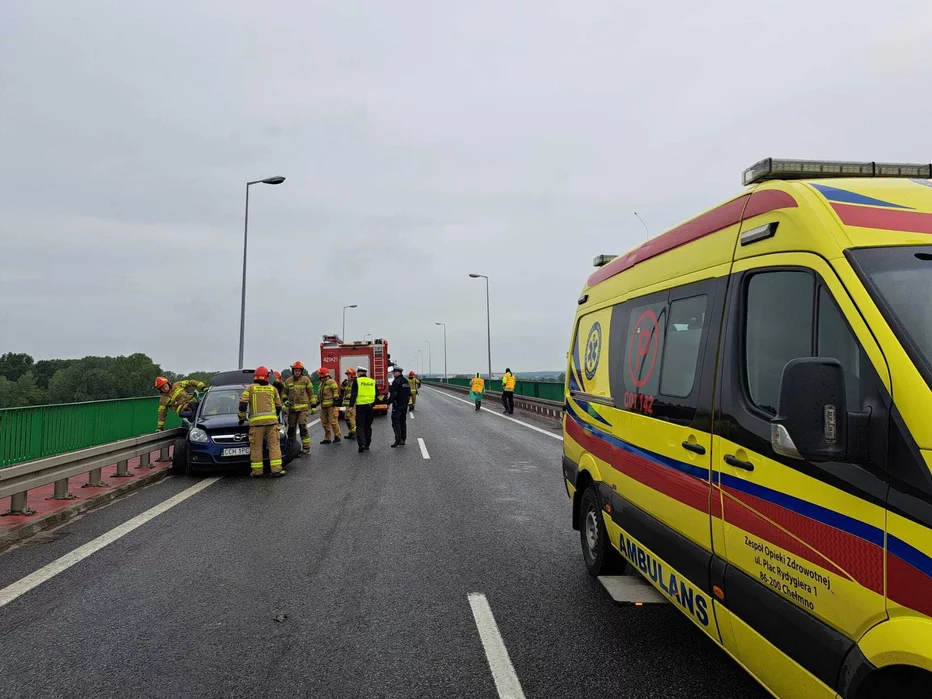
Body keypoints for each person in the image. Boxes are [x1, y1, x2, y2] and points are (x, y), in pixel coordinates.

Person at [237, 366, 285, 477]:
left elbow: (243, 404)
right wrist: (274, 417)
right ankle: (276, 470)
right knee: (274, 446)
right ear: (267, 377)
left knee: (256, 447)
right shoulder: (273, 389)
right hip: (272, 423)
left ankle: (257, 472)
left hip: (256, 425)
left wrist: (242, 417)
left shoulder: (250, 388)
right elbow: (278, 406)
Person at [284, 361, 316, 456]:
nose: (297, 372)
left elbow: (311, 393)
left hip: (303, 409)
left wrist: (313, 406)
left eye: (299, 371)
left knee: (302, 428)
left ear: (301, 371)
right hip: (292, 409)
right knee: (291, 429)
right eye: (295, 370)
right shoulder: (288, 381)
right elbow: (284, 393)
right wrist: (285, 399)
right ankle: (292, 449)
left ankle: (306, 448)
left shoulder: (306, 380)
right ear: (293, 371)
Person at [348, 366, 375, 453]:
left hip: (360, 407)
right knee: (368, 426)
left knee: (360, 426)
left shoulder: (357, 381)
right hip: (370, 407)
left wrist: (351, 405)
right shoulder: (372, 381)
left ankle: (362, 444)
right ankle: (367, 444)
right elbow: (377, 393)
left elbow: (354, 394)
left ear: (359, 373)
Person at [317, 367, 342, 444]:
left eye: (319, 374)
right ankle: (327, 438)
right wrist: (316, 403)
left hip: (331, 406)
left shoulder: (330, 381)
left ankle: (337, 436)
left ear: (322, 374)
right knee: (324, 423)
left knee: (333, 421)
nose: (318, 376)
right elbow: (319, 395)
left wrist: (335, 399)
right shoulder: (321, 384)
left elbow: (335, 390)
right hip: (324, 406)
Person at [388, 366, 411, 447]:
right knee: (402, 422)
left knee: (395, 422)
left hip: (397, 406)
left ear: (398, 373)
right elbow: (409, 393)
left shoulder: (396, 382)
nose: (393, 374)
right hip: (404, 406)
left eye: (394, 372)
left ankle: (398, 440)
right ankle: (403, 439)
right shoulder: (405, 381)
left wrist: (388, 402)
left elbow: (394, 394)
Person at [341, 368, 357, 440]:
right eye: (347, 375)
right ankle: (351, 433)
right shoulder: (348, 382)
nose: (347, 376)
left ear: (352, 375)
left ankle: (354, 433)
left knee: (351, 418)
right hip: (347, 404)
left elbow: (354, 393)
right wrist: (342, 385)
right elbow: (342, 390)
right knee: (347, 418)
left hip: (352, 404)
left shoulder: (355, 382)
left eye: (349, 375)